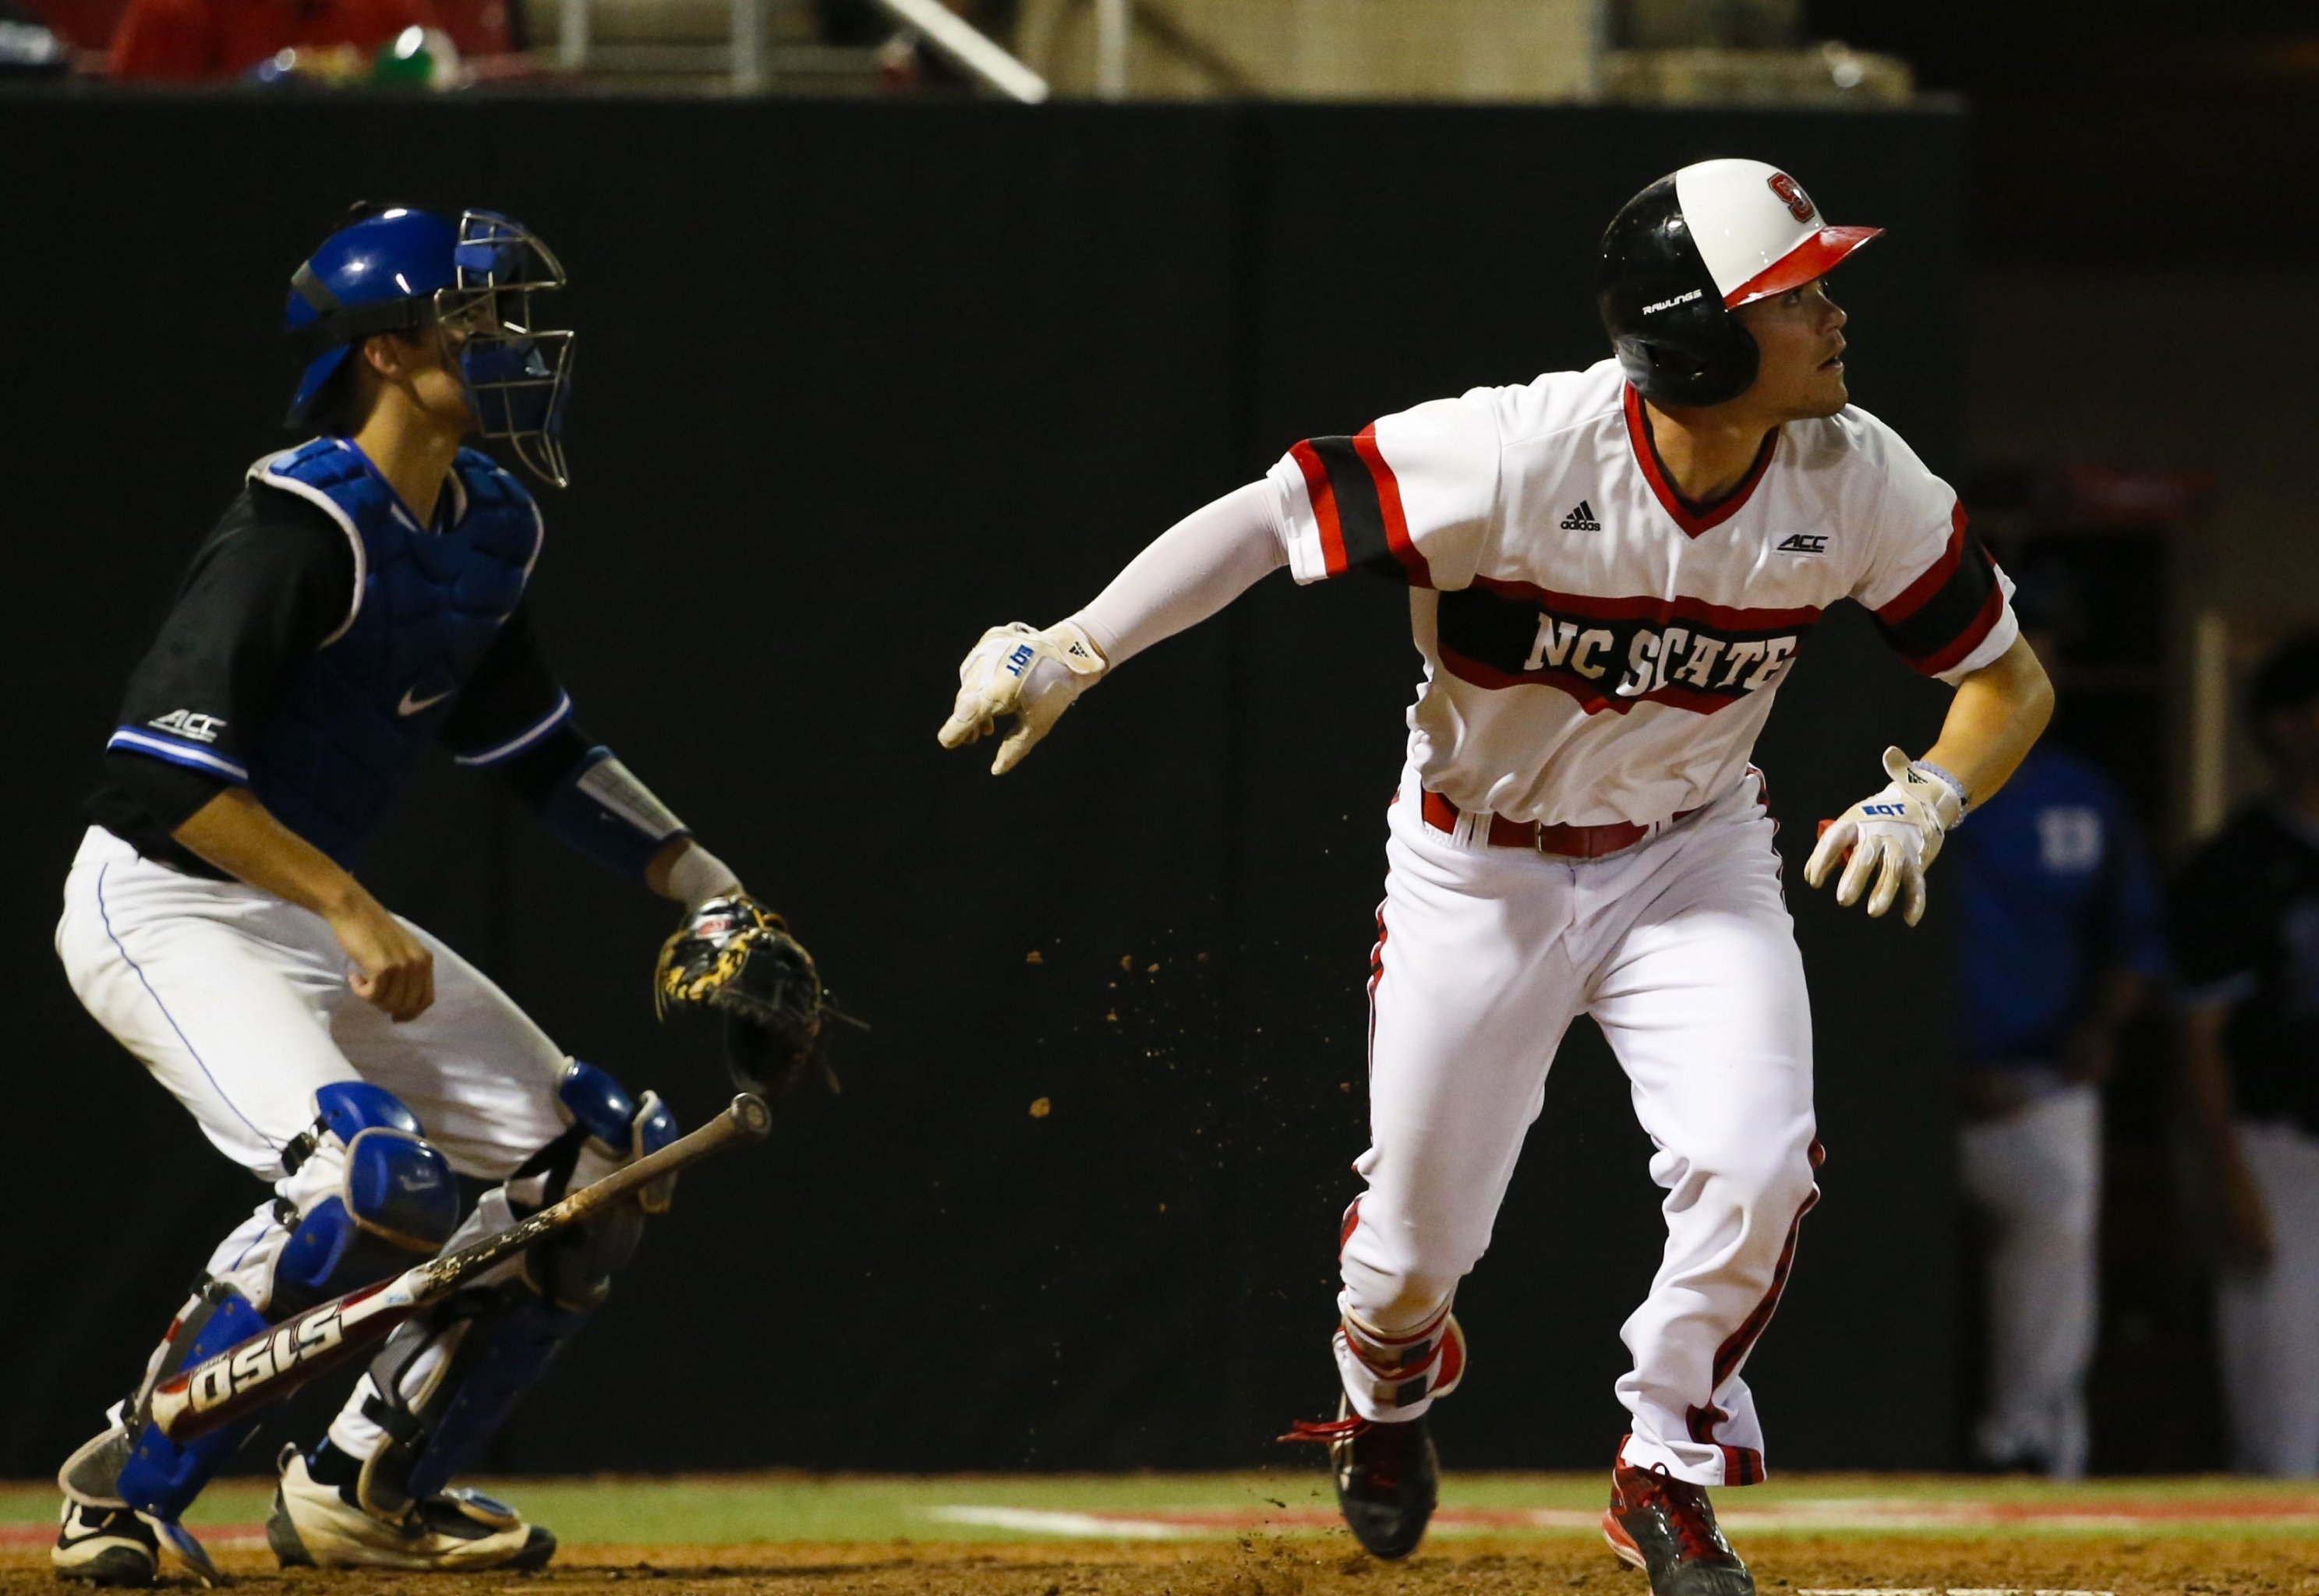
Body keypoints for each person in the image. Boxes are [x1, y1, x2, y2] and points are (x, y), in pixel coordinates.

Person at [938, 159, 2052, 1596]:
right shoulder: (1520, 451)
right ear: (1695, 332)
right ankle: (1387, 1385)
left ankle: (1667, 1464)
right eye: (1794, 293)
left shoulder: (1860, 475)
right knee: (1413, 1248)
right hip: (1480, 865)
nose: (1835, 312)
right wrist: (1079, 643)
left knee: (1759, 1157)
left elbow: (2006, 681)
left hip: (1691, 855)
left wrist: (1933, 796)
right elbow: (1272, 517)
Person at [51, 203, 801, 1584]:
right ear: (389, 353)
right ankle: (123, 1488)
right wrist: (347, 906)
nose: (514, 343)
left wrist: (715, 889)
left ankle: (365, 1481)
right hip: (163, 900)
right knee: (366, 1171)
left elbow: (544, 752)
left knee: (594, 1155)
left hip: (302, 905)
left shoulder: (485, 525)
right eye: (479, 319)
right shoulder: (301, 523)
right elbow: (159, 776)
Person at [1947, 586, 2164, 1478]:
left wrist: (2098, 1031)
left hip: (2035, 1079)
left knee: (2055, 1226)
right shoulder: (1907, 778)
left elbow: (2132, 938)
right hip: (1902, 1094)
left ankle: (2024, 1441)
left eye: (2045, 656)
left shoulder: (2081, 797)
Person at [2173, 634, 2319, 1476]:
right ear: (2287, 726)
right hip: (2278, 1145)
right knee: (2281, 1407)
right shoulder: (2235, 864)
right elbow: (2196, 1040)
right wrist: (2226, 1172)